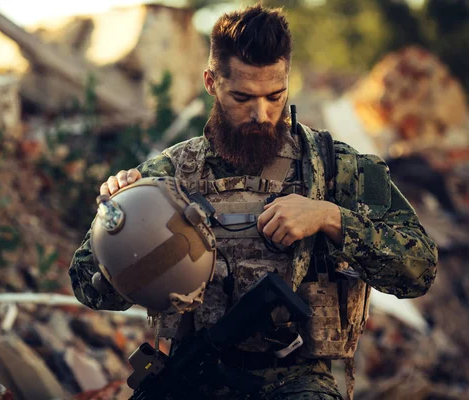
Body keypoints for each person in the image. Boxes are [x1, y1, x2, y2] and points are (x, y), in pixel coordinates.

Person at [69, 5, 438, 400]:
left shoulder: (337, 168)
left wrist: (330, 217)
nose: (261, 113)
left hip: (297, 381)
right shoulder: (168, 174)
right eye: (242, 96)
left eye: (274, 96)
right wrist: (121, 224)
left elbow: (419, 270)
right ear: (211, 82)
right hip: (193, 376)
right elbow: (87, 288)